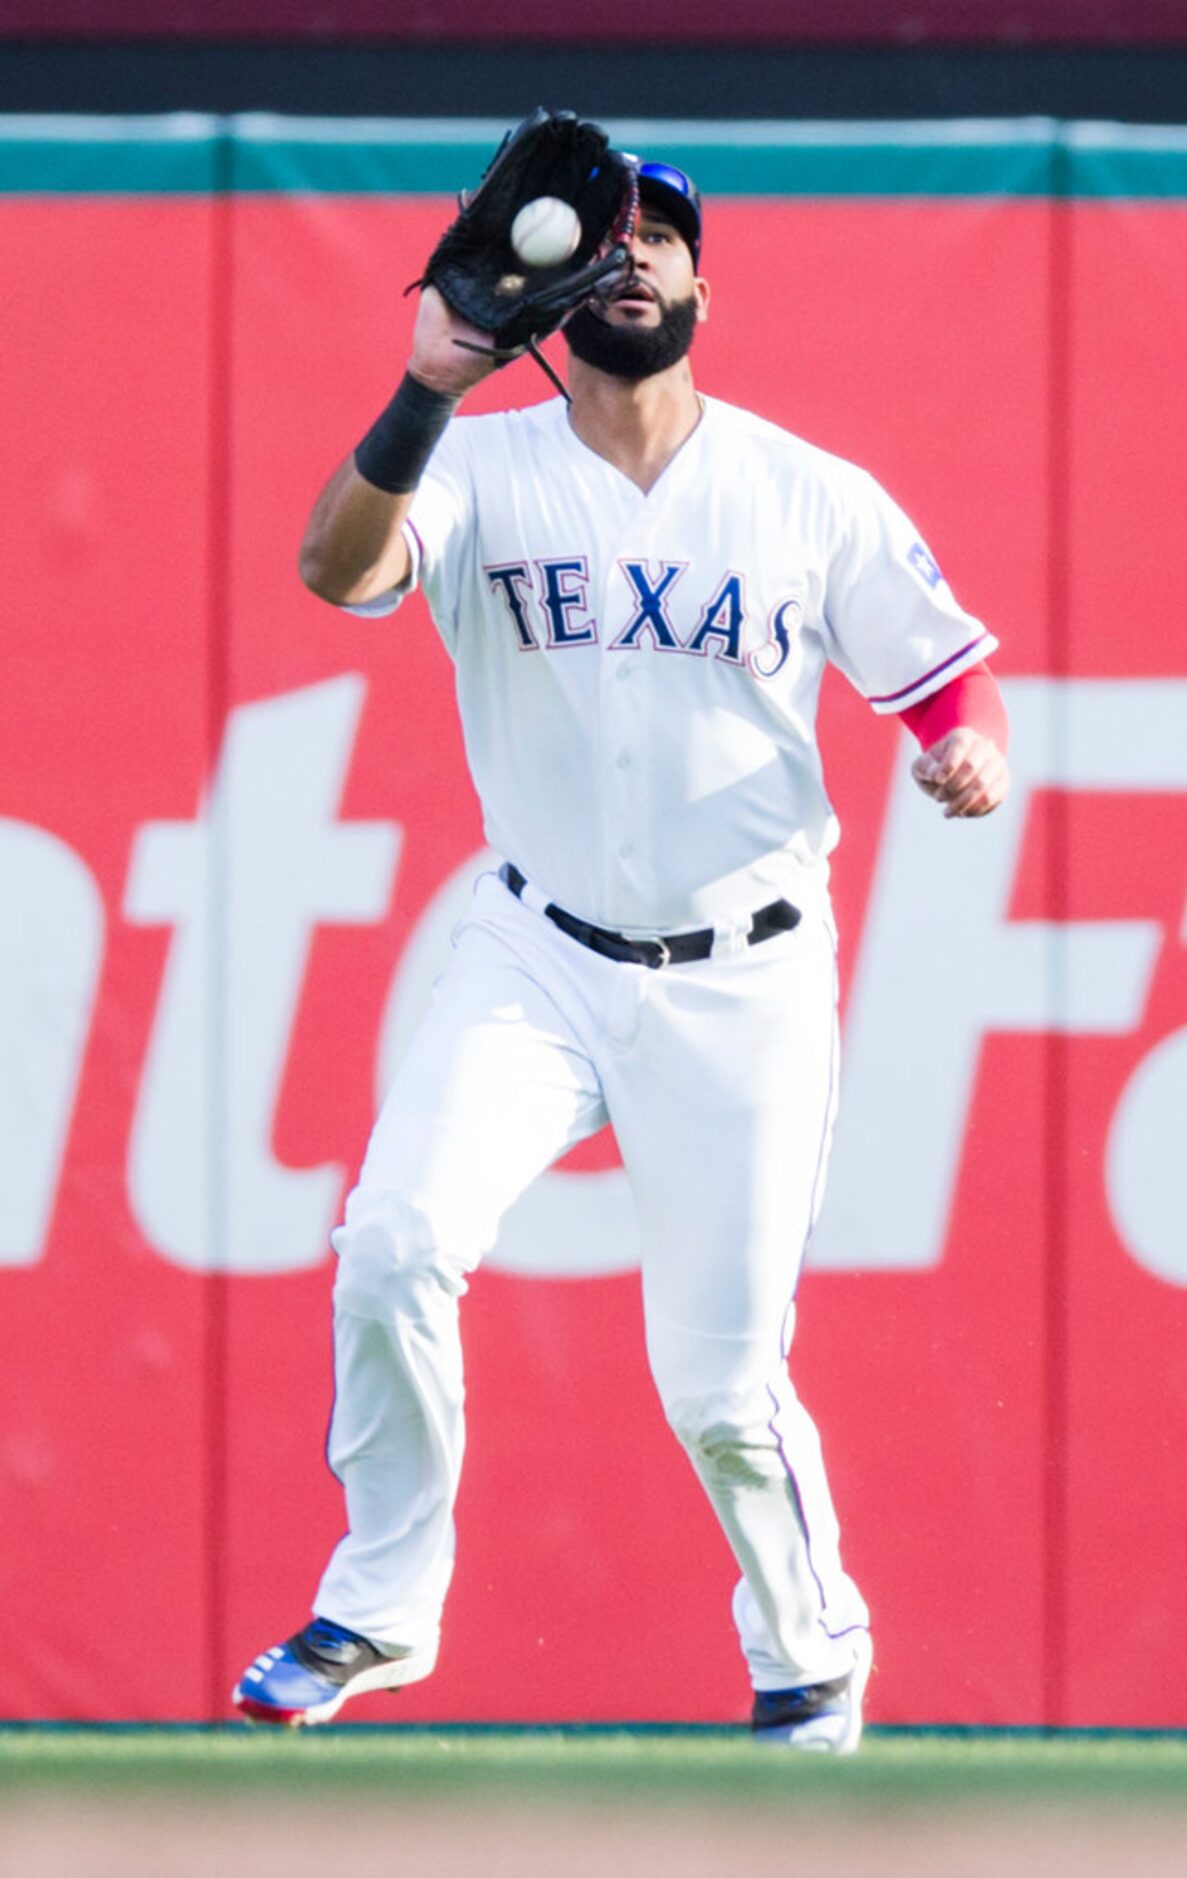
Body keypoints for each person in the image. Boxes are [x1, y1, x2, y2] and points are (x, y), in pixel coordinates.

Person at [233, 150, 1009, 1750]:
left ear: (705, 290)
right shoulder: (475, 461)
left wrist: (970, 749)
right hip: (539, 951)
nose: (638, 254)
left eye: (666, 237)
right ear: (558, 288)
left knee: (724, 1392)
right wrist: (423, 383)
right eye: (610, 235)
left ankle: (811, 1661)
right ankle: (381, 1605)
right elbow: (334, 567)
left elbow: (944, 681)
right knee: (390, 1243)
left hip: (749, 973)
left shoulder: (806, 489)